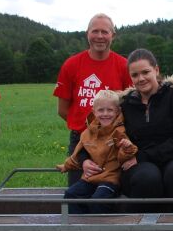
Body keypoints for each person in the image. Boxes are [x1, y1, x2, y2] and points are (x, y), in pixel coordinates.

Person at [102, 48, 173, 209]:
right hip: (138, 165)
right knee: (147, 178)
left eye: (145, 72)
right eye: (135, 75)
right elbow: (100, 132)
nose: (141, 79)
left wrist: (144, 156)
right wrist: (84, 158)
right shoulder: (126, 104)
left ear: (156, 70)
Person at [54, 13, 131, 186]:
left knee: (110, 194)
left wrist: (107, 131)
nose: (100, 36)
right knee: (77, 195)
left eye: (105, 32)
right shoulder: (71, 65)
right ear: (87, 33)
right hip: (81, 140)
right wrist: (88, 130)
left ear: (113, 35)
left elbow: (130, 107)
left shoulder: (124, 65)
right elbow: (63, 109)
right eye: (95, 31)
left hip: (113, 141)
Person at [58, 89, 137, 214]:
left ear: (117, 111)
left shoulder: (119, 132)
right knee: (71, 194)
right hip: (90, 178)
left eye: (110, 110)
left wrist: (126, 148)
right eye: (101, 110)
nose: (105, 114)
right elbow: (78, 152)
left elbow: (122, 158)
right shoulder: (88, 132)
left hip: (110, 178)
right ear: (94, 111)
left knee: (98, 200)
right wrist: (66, 166)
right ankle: (79, 227)